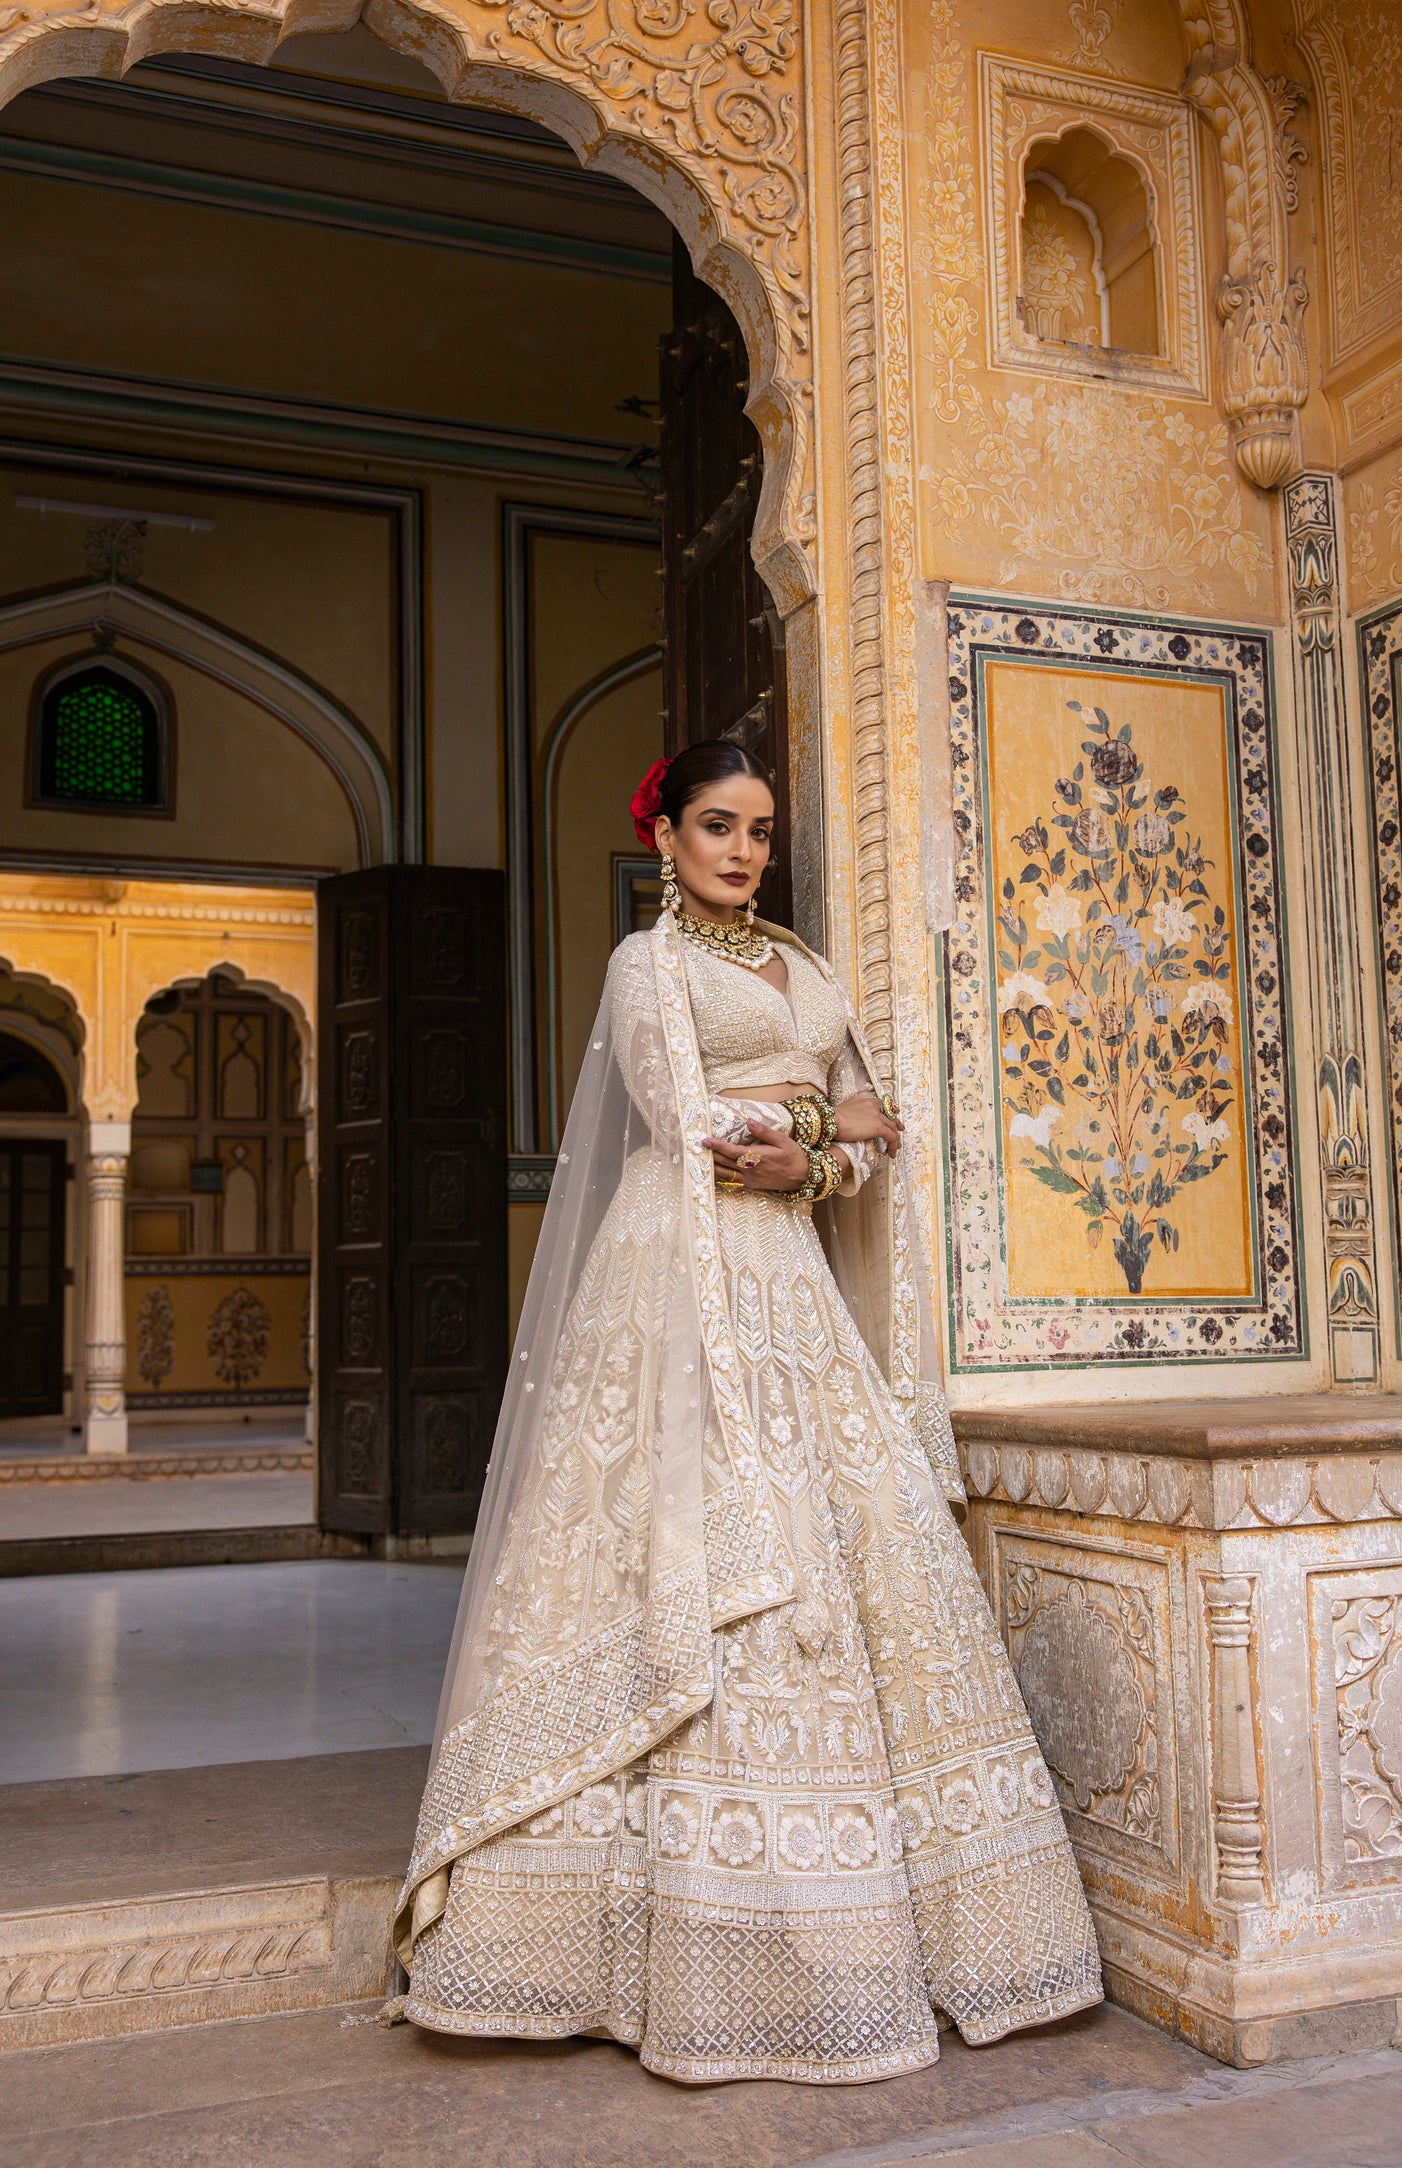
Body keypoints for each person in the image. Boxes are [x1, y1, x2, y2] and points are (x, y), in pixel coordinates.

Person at [393, 740, 1100, 2084]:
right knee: (683, 1547)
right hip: (679, 1281)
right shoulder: (642, 966)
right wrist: (811, 1138)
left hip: (785, 1277)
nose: (741, 851)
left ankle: (878, 1940)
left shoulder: (805, 968)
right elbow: (691, 1121)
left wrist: (817, 1146)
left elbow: (870, 1115)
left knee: (843, 1545)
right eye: (716, 826)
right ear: (662, 836)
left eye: (761, 830)